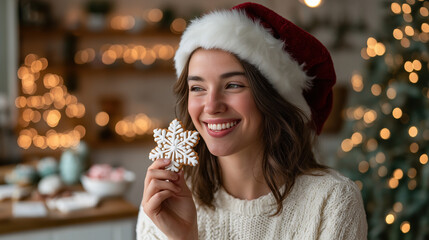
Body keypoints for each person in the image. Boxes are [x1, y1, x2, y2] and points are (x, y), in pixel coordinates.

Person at [137, 2, 367, 239]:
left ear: (271, 97)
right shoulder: (165, 198)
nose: (212, 105)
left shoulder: (332, 201)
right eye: (197, 87)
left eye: (233, 85)